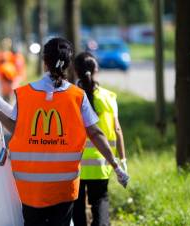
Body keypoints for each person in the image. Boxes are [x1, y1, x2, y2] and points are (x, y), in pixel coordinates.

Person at [0, 37, 129, 226]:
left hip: (30, 188)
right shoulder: (77, 96)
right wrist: (116, 166)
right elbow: (95, 133)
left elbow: (17, 129)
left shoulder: (25, 94)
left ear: (44, 63)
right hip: (64, 187)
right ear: (68, 65)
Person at [71, 52, 127, 226]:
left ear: (75, 71)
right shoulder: (109, 98)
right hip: (101, 163)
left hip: (74, 164)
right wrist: (122, 160)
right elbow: (117, 130)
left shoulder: (69, 96)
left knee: (76, 206)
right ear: (96, 70)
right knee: (100, 201)